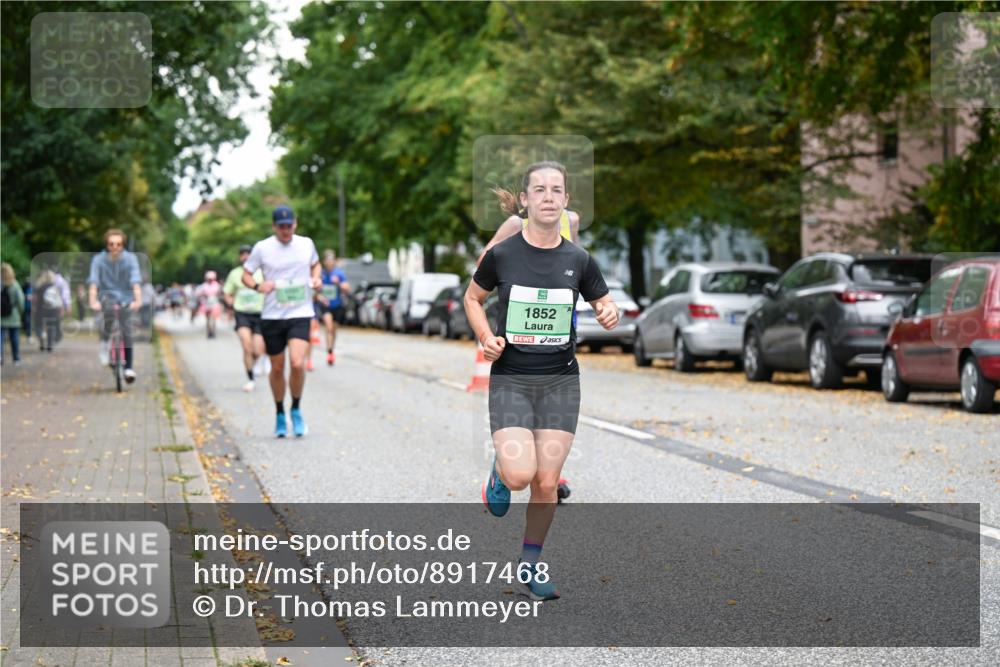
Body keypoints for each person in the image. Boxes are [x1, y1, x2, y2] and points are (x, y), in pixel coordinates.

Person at [464, 161, 618, 601]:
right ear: (525, 201)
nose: (549, 196)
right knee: (519, 476)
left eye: (557, 190)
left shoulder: (578, 260)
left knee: (547, 483)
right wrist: (485, 336)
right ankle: (499, 472)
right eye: (540, 189)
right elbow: (473, 298)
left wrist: (608, 312)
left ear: (566, 201)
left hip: (560, 382)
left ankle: (530, 564)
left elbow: (605, 303)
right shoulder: (504, 254)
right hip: (512, 377)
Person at [242, 205, 321, 438]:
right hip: (273, 315)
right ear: (274, 226)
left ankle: (295, 408)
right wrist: (258, 286)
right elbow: (246, 273)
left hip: (300, 312)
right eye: (281, 227)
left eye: (289, 226)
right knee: (277, 367)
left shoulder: (306, 243)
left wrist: (316, 279)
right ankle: (279, 413)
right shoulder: (262, 248)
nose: (286, 231)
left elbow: (315, 264)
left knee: (297, 363)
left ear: (295, 223)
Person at [87, 228, 142, 382]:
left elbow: (135, 280)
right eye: (111, 244)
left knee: (127, 330)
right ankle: (105, 345)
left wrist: (137, 300)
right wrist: (93, 301)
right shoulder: (98, 260)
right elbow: (93, 282)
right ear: (107, 245)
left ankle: (129, 368)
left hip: (126, 297)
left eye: (118, 244)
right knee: (108, 319)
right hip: (106, 296)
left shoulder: (131, 259)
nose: (115, 247)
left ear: (123, 244)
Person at [223, 244, 266, 392]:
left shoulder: (262, 272)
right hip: (242, 314)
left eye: (248, 253)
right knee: (247, 346)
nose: (245, 256)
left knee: (258, 350)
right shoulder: (234, 274)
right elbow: (227, 293)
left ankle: (255, 363)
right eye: (243, 254)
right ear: (239, 257)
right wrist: (231, 303)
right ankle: (250, 378)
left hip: (260, 314)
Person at [316, 249, 350, 366]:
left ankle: (332, 348)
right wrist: (319, 296)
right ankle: (329, 352)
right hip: (326, 305)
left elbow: (347, 288)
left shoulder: (339, 274)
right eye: (327, 260)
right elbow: (316, 290)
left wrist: (338, 284)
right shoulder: (321, 273)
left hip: (337, 305)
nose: (329, 262)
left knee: (334, 329)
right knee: (329, 327)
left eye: (331, 260)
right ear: (324, 262)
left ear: (334, 261)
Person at [33, 270, 63, 352]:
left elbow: (35, 300)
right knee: (51, 328)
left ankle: (42, 342)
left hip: (41, 310)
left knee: (39, 327)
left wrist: (34, 308)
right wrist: (60, 310)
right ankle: (49, 346)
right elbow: (58, 300)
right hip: (52, 311)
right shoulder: (54, 288)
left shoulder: (39, 287)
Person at [1, 263, 26, 366]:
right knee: (14, 338)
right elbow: (21, 300)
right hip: (14, 315)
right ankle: (16, 358)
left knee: (0, 337)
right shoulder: (15, 284)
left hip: (1, 315)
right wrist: (21, 311)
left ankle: (0, 356)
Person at [195, 270, 223, 339]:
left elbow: (220, 293)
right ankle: (209, 332)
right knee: (208, 319)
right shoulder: (204, 286)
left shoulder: (216, 285)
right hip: (206, 304)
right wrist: (203, 295)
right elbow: (198, 294)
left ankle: (213, 331)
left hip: (214, 303)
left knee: (213, 319)